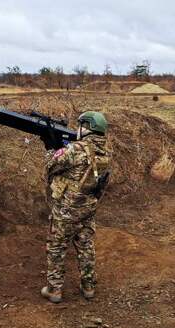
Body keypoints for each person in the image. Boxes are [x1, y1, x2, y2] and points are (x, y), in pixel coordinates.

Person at [41, 111, 111, 303]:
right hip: (88, 208)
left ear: (86, 127)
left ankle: (54, 290)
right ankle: (88, 286)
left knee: (57, 247)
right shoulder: (105, 152)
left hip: (67, 209)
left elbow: (49, 166)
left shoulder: (75, 150)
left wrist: (51, 148)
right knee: (85, 245)